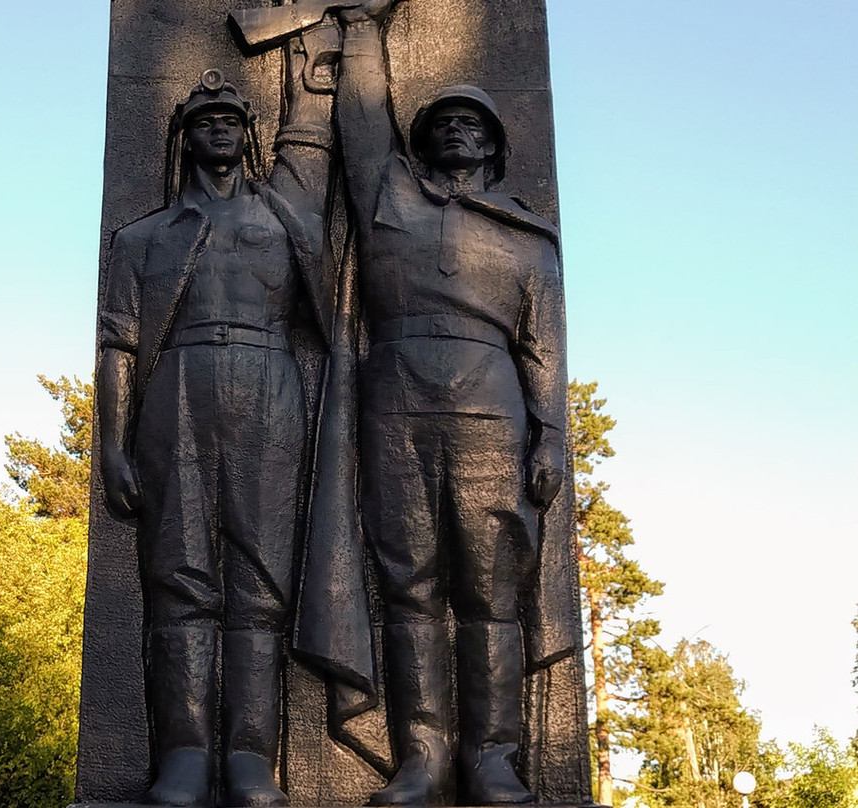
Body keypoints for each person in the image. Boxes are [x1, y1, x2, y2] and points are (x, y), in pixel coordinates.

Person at [334, 1, 568, 804]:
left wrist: (551, 438)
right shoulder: (387, 195)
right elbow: (363, 121)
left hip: (493, 412)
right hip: (395, 401)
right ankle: (423, 758)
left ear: (496, 145)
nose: (458, 130)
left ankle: (493, 757)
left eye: (475, 123)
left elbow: (542, 349)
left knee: (489, 592)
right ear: (424, 138)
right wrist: (363, 28)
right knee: (409, 586)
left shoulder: (527, 240)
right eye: (444, 120)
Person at [96, 50, 335, 808]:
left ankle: (251, 757)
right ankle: (185, 753)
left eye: (232, 121)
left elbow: (334, 325)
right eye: (206, 123)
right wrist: (110, 444)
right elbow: (118, 347)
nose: (221, 132)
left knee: (261, 583)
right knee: (180, 579)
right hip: (178, 391)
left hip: (270, 389)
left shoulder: (286, 221)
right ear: (186, 139)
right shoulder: (142, 239)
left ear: (249, 135)